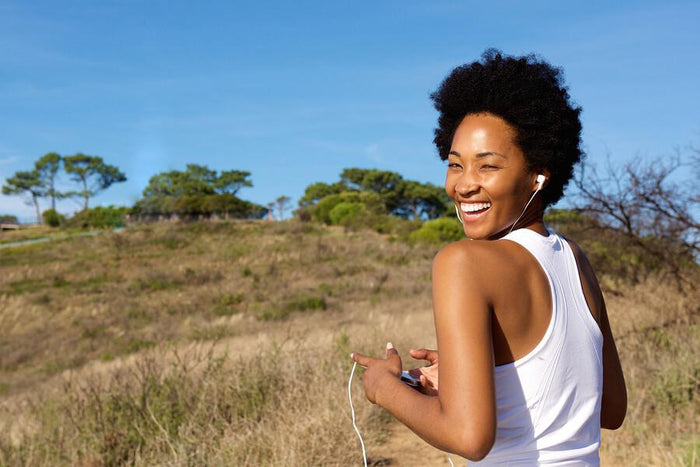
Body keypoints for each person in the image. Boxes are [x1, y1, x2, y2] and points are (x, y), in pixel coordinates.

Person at [350, 49, 627, 464]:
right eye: (456, 165)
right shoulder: (575, 260)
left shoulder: (463, 262)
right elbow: (610, 410)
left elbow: (468, 437)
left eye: (487, 167)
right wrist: (493, 373)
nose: (463, 185)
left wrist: (382, 388)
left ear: (539, 172)